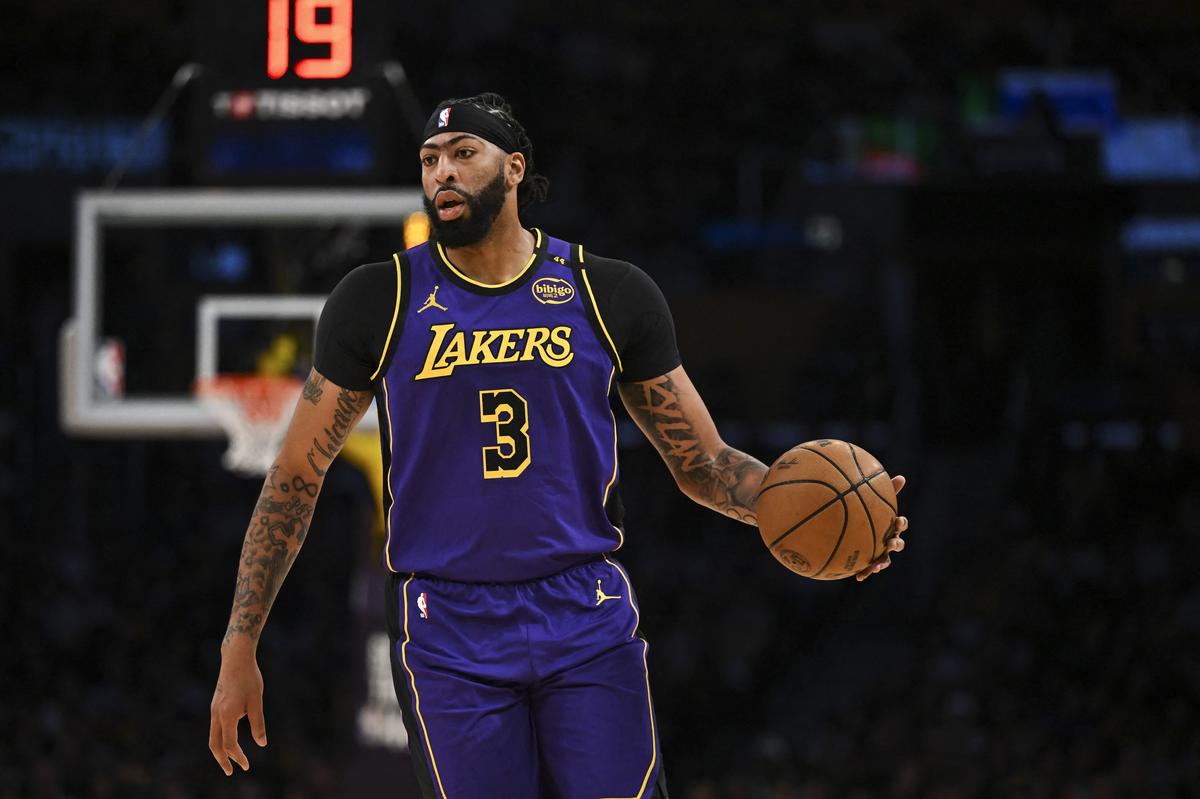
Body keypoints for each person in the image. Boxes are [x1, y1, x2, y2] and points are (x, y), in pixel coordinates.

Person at [208, 92, 909, 797]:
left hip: (584, 611)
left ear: (513, 169)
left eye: (462, 154)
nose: (442, 173)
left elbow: (703, 462)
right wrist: (241, 639)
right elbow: (295, 475)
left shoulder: (607, 292)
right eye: (429, 160)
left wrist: (797, 510)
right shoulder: (377, 300)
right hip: (449, 624)